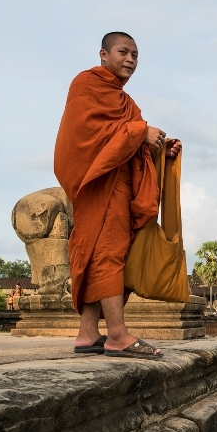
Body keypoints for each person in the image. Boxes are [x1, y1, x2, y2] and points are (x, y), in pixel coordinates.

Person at [54, 32, 181, 358]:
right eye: (124, 52)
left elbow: (133, 148)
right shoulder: (85, 85)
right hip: (100, 185)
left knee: (103, 254)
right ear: (103, 54)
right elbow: (87, 134)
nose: (130, 60)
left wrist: (161, 151)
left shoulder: (127, 104)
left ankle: (87, 333)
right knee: (107, 255)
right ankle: (117, 335)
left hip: (121, 187)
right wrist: (141, 132)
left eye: (135, 55)